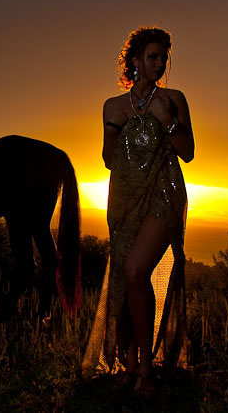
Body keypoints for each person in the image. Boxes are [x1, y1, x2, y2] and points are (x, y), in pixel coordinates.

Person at [81, 26, 194, 398]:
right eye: (153, 57)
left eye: (164, 57)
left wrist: (168, 121)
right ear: (135, 61)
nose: (160, 63)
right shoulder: (112, 106)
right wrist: (114, 130)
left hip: (164, 195)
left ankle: (147, 366)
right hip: (125, 200)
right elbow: (108, 159)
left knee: (134, 269)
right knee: (128, 279)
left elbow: (188, 152)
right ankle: (130, 362)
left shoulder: (173, 99)